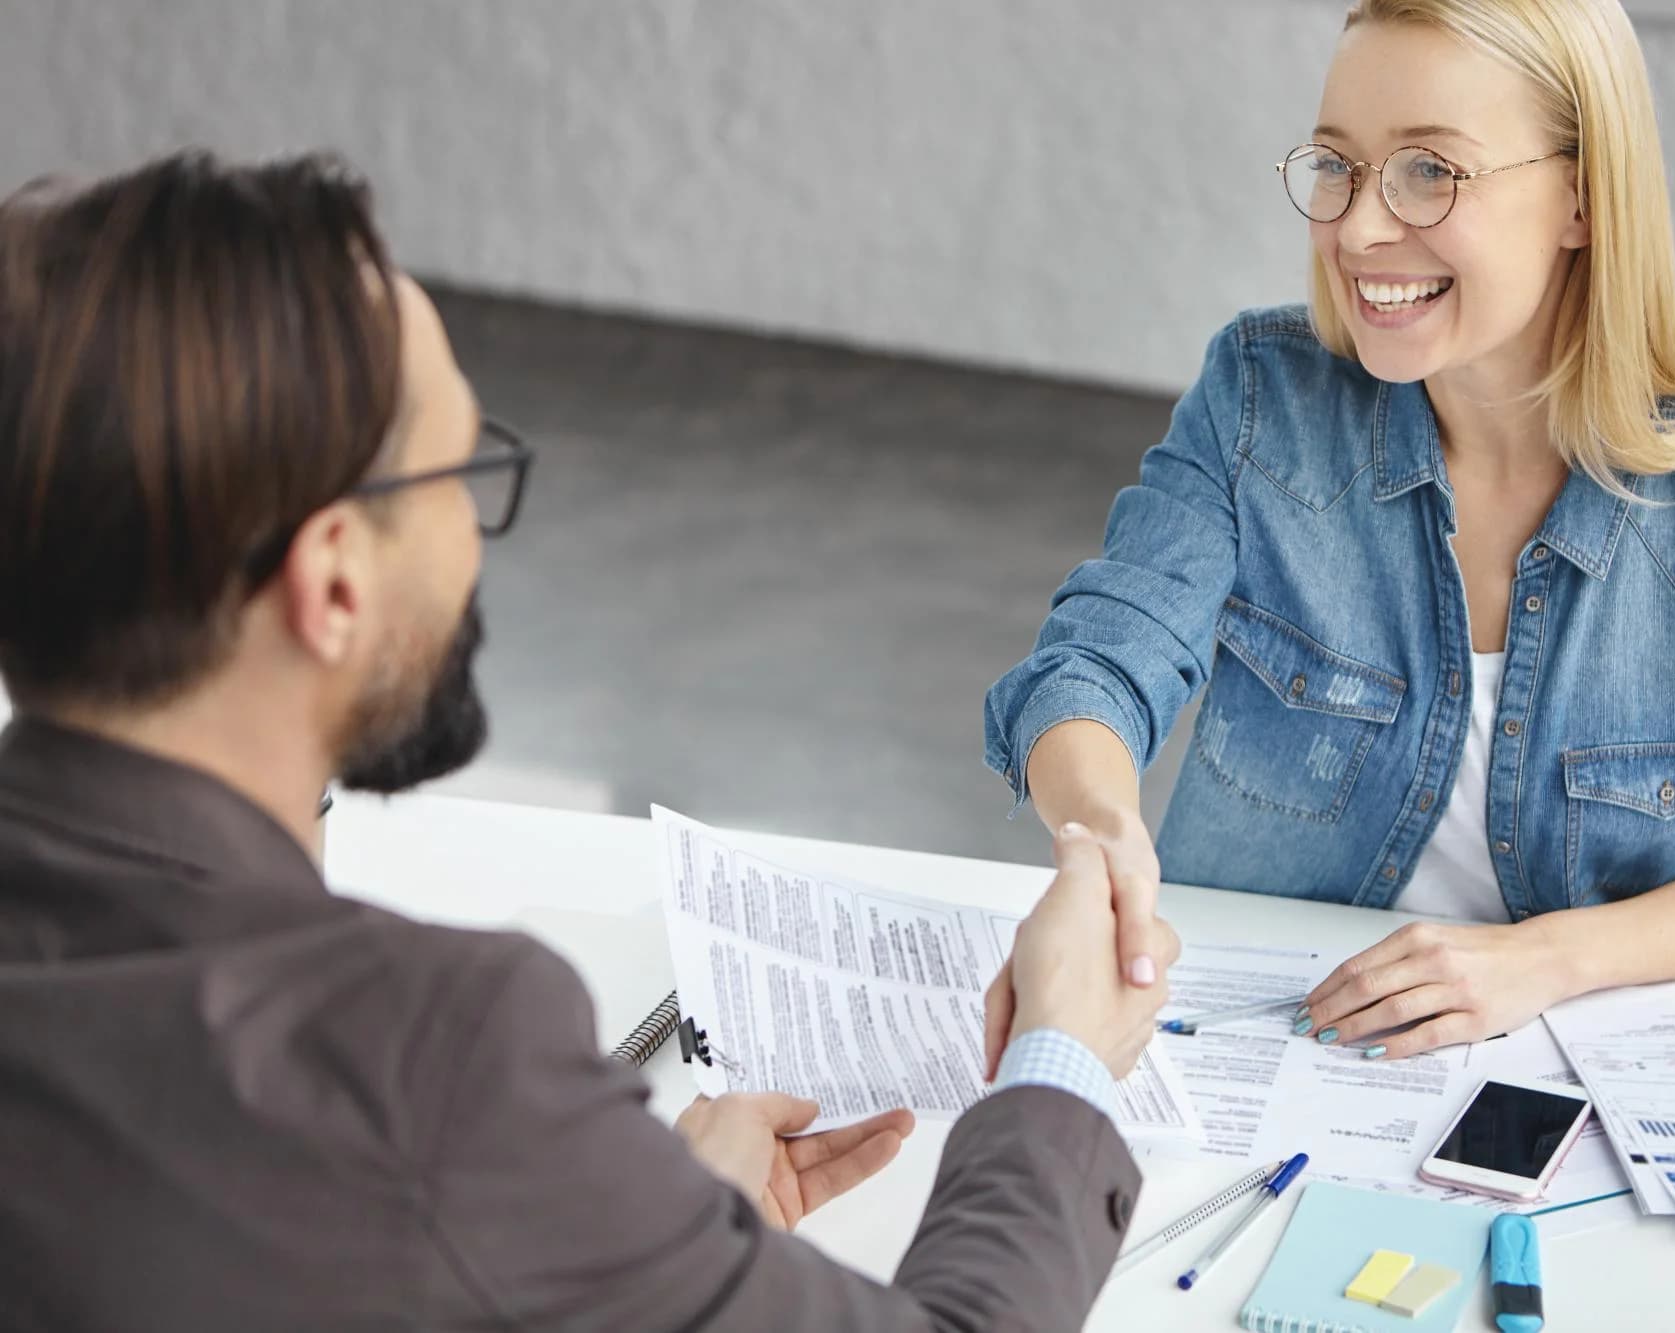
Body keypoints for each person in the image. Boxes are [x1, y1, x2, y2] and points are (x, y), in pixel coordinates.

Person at [0, 151, 1179, 1331]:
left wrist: (632, 1239)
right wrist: (1059, 1061)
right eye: (458, 474)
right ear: (334, 582)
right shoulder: (430, 1062)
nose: (472, 535)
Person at [983, 0, 1675, 1063]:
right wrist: (1099, 831)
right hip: (1246, 1047)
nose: (1358, 228)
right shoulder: (1258, 401)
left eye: (1429, 170)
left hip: (1556, 1071)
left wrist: (1548, 958)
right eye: (1336, 165)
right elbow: (1098, 656)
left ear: (1581, 195)